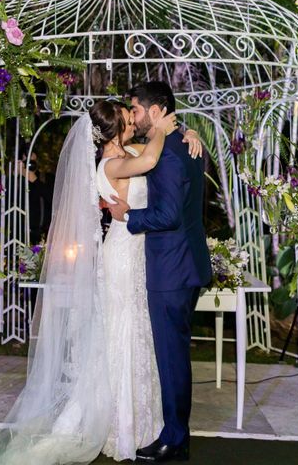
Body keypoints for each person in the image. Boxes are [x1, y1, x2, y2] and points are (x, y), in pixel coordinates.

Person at [0, 97, 203, 464]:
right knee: (123, 330)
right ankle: (120, 424)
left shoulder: (130, 150)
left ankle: (146, 421)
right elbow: (151, 160)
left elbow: (155, 149)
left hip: (139, 253)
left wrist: (187, 131)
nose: (133, 122)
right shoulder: (111, 164)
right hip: (121, 254)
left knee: (140, 333)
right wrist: (169, 129)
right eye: (126, 118)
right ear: (114, 128)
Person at [108, 81, 212, 462]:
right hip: (185, 264)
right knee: (175, 355)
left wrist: (129, 216)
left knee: (171, 357)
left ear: (155, 111)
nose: (132, 117)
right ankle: (176, 432)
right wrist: (186, 127)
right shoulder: (183, 142)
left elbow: (167, 215)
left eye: (135, 109)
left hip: (171, 269)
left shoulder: (169, 152)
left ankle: (174, 438)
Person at [19, 150, 53, 245]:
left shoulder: (46, 178)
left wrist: (35, 180)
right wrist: (16, 174)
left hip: (42, 235)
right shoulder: (16, 181)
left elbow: (53, 199)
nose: (29, 164)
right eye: (26, 161)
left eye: (32, 161)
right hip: (18, 236)